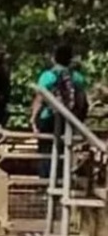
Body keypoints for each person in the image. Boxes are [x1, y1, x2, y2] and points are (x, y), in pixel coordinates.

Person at [30, 44, 90, 180]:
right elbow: (81, 101)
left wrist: (33, 118)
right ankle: (62, 180)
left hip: (48, 118)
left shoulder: (47, 76)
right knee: (64, 149)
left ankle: (45, 181)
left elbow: (39, 98)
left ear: (54, 58)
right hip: (68, 119)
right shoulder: (77, 78)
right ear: (70, 59)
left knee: (46, 150)